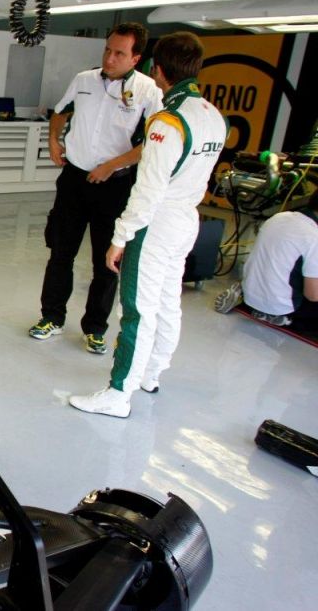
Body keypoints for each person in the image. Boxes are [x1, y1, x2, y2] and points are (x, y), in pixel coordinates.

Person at [69, 32, 228, 418]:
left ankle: (119, 393)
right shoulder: (211, 115)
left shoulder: (167, 122)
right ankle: (152, 373)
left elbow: (149, 190)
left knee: (137, 308)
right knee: (168, 301)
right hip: (187, 219)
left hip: (157, 224)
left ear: (157, 68)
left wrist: (120, 236)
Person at [29, 23, 164, 355]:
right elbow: (60, 113)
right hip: (75, 181)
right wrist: (53, 141)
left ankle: (95, 328)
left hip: (114, 187)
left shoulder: (148, 92)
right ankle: (52, 317)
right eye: (107, 49)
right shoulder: (84, 80)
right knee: (60, 252)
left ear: (136, 57)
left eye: (119, 53)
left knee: (107, 261)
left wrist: (112, 165)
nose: (110, 57)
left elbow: (152, 142)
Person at [214, 189, 318, 329]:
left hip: (251, 294)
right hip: (285, 305)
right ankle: (281, 315)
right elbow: (313, 296)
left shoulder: (278, 217)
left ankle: (251, 300)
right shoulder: (314, 236)